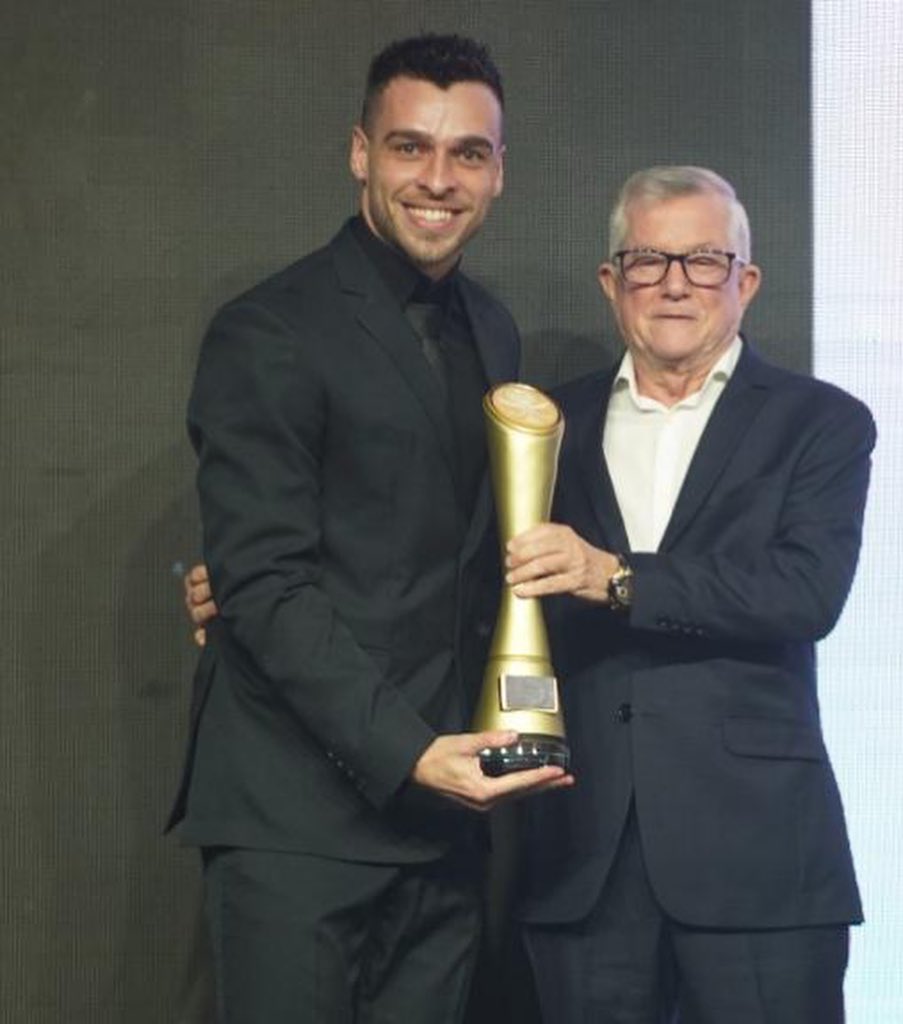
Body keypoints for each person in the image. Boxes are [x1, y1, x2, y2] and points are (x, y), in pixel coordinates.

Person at [167, 34, 570, 1024]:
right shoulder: (268, 329)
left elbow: (468, 557)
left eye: (467, 153)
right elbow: (264, 583)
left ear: (499, 170)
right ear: (359, 153)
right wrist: (408, 751)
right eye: (408, 147)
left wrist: (486, 741)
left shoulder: (492, 327)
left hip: (443, 820)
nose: (437, 179)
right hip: (298, 821)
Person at [505, 166, 874, 1023]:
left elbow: (806, 591)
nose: (675, 283)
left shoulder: (821, 423)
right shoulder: (543, 428)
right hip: (581, 857)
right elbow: (458, 571)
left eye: (704, 260)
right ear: (611, 281)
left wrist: (619, 577)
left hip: (758, 863)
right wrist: (238, 581)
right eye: (648, 260)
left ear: (745, 281)